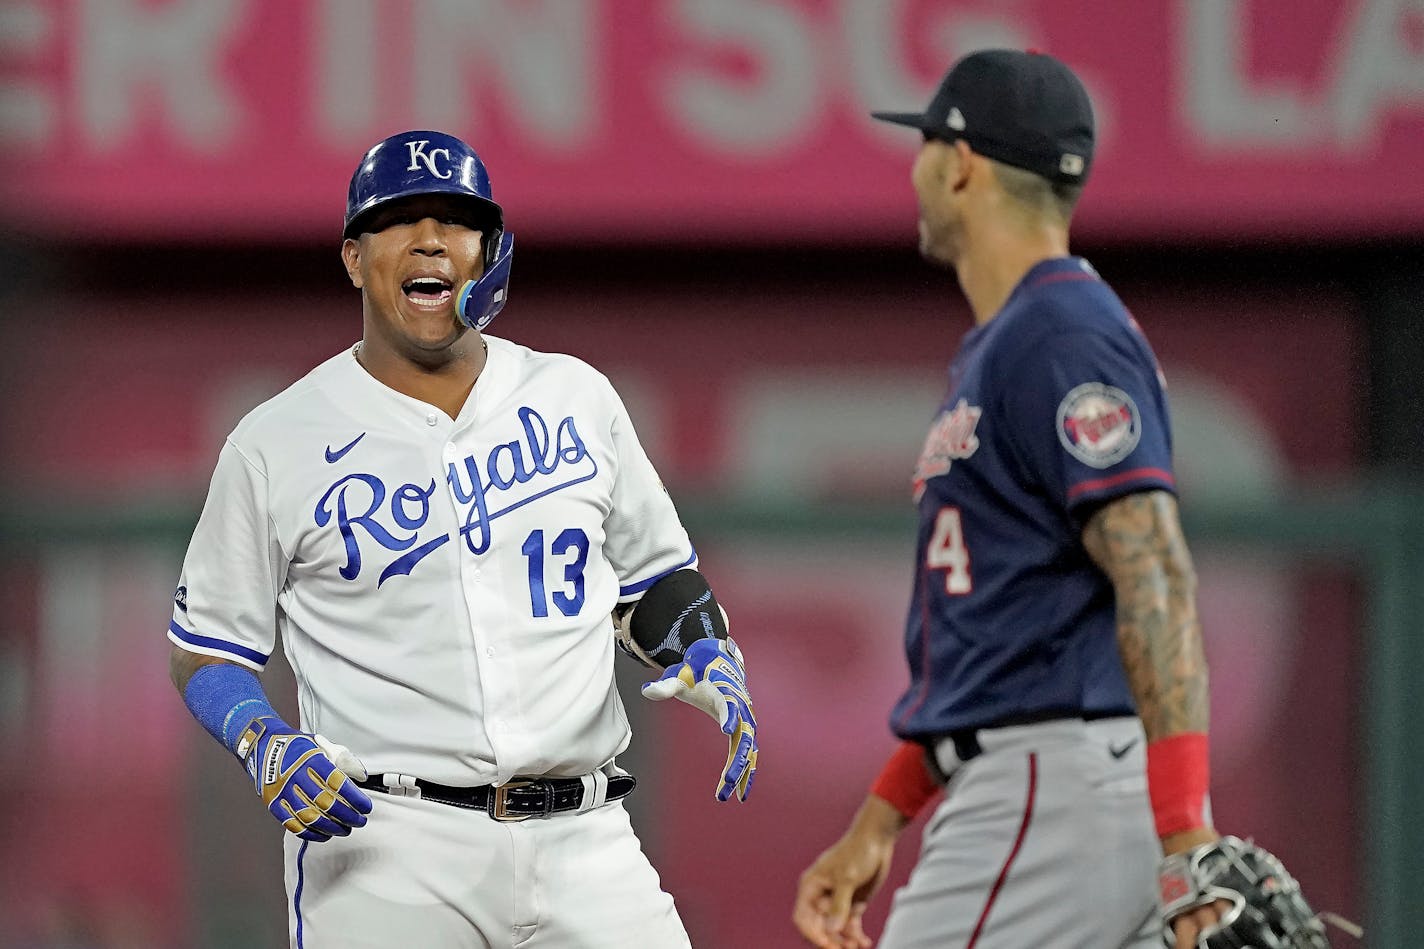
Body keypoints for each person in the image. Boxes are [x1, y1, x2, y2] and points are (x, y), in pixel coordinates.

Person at [167, 129, 758, 948]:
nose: (432, 239)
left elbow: (655, 580)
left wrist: (703, 645)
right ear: (352, 256)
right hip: (385, 841)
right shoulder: (275, 441)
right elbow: (207, 646)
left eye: (456, 219)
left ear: (488, 251)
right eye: (402, 218)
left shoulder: (575, 396)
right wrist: (260, 737)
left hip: (587, 838)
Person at [791, 51, 1230, 949]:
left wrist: (1187, 832)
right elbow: (1006, 639)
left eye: (925, 147)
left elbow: (1156, 575)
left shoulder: (1062, 335)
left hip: (1052, 796)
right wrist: (881, 818)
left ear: (960, 164)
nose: (915, 170)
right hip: (1053, 783)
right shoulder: (1016, 340)